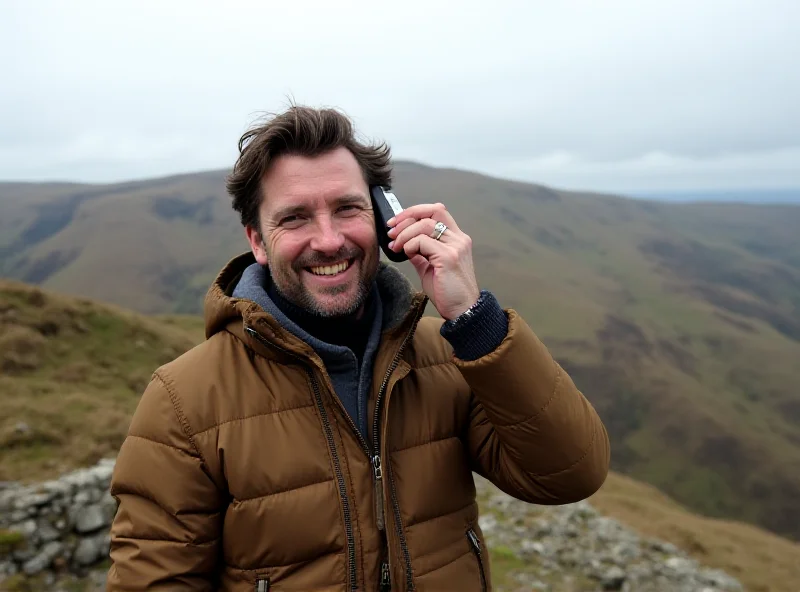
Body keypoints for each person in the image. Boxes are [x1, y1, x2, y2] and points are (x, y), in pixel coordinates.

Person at [107, 105, 610, 591]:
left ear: (383, 219)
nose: (328, 241)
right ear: (257, 241)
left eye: (347, 209)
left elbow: (569, 474)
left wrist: (473, 318)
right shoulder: (184, 400)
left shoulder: (446, 358)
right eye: (295, 218)